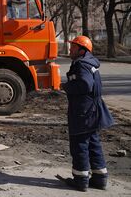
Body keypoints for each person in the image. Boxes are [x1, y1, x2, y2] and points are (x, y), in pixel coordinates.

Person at [61, 35, 114, 192]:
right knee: (93, 143)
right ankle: (100, 178)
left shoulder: (81, 64)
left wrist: (66, 87)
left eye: (73, 47)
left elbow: (85, 84)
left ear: (82, 49)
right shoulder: (89, 63)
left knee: (79, 145)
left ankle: (81, 180)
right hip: (93, 111)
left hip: (83, 112)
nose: (70, 49)